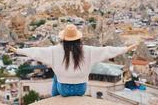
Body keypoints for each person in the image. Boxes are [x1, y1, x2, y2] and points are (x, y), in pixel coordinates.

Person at [9, 24, 137, 97]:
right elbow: (107, 51)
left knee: (55, 75)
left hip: (63, 90)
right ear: (78, 39)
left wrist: (17, 51)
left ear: (63, 39)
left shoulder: (54, 50)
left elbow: (36, 52)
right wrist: (126, 48)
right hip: (81, 89)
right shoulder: (87, 50)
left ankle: (55, 100)